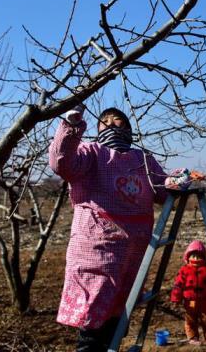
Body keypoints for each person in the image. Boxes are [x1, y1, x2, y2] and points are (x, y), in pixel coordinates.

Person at [49, 106, 169, 352]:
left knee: (117, 320)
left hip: (133, 254)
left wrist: (179, 181)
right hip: (97, 250)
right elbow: (61, 164)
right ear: (97, 129)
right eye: (105, 121)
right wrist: (71, 126)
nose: (112, 124)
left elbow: (162, 190)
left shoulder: (142, 160)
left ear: (128, 128)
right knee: (93, 327)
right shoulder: (91, 152)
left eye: (118, 120)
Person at [170, 240, 206, 346]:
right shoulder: (185, 270)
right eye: (193, 256)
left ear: (204, 257)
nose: (195, 259)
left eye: (199, 256)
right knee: (191, 318)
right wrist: (176, 298)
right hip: (191, 301)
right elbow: (178, 285)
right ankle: (193, 337)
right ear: (188, 257)